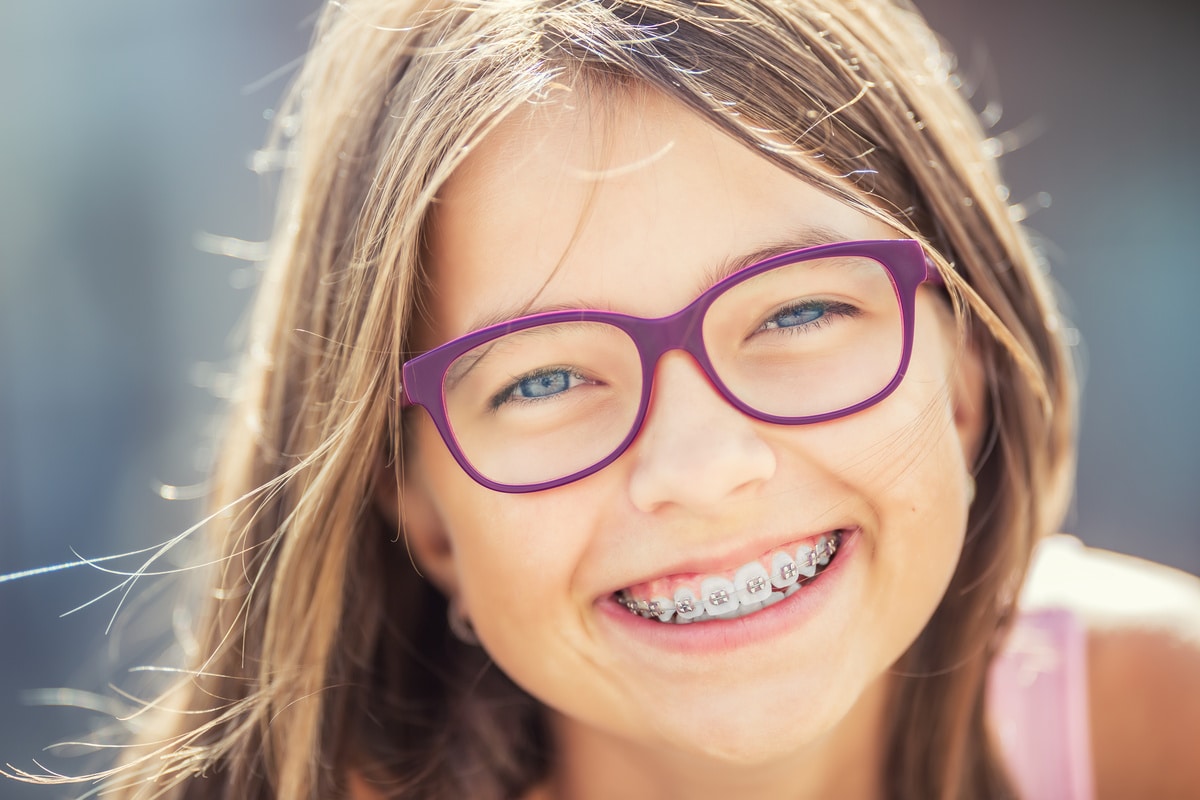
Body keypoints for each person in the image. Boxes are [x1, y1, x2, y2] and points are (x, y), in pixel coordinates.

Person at [10, 0, 1200, 797]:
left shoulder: (1159, 720)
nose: (697, 462)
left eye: (798, 313)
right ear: (422, 513)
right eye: (542, 377)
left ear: (966, 377)